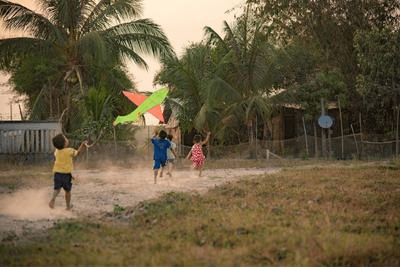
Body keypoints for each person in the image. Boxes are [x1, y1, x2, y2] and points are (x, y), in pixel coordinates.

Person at [49, 134, 87, 210]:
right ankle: (68, 206)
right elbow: (78, 153)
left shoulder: (57, 152)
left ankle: (53, 199)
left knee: (57, 189)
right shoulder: (69, 150)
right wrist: (82, 145)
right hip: (66, 174)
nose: (67, 139)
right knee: (67, 191)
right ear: (64, 143)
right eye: (65, 139)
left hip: (57, 174)